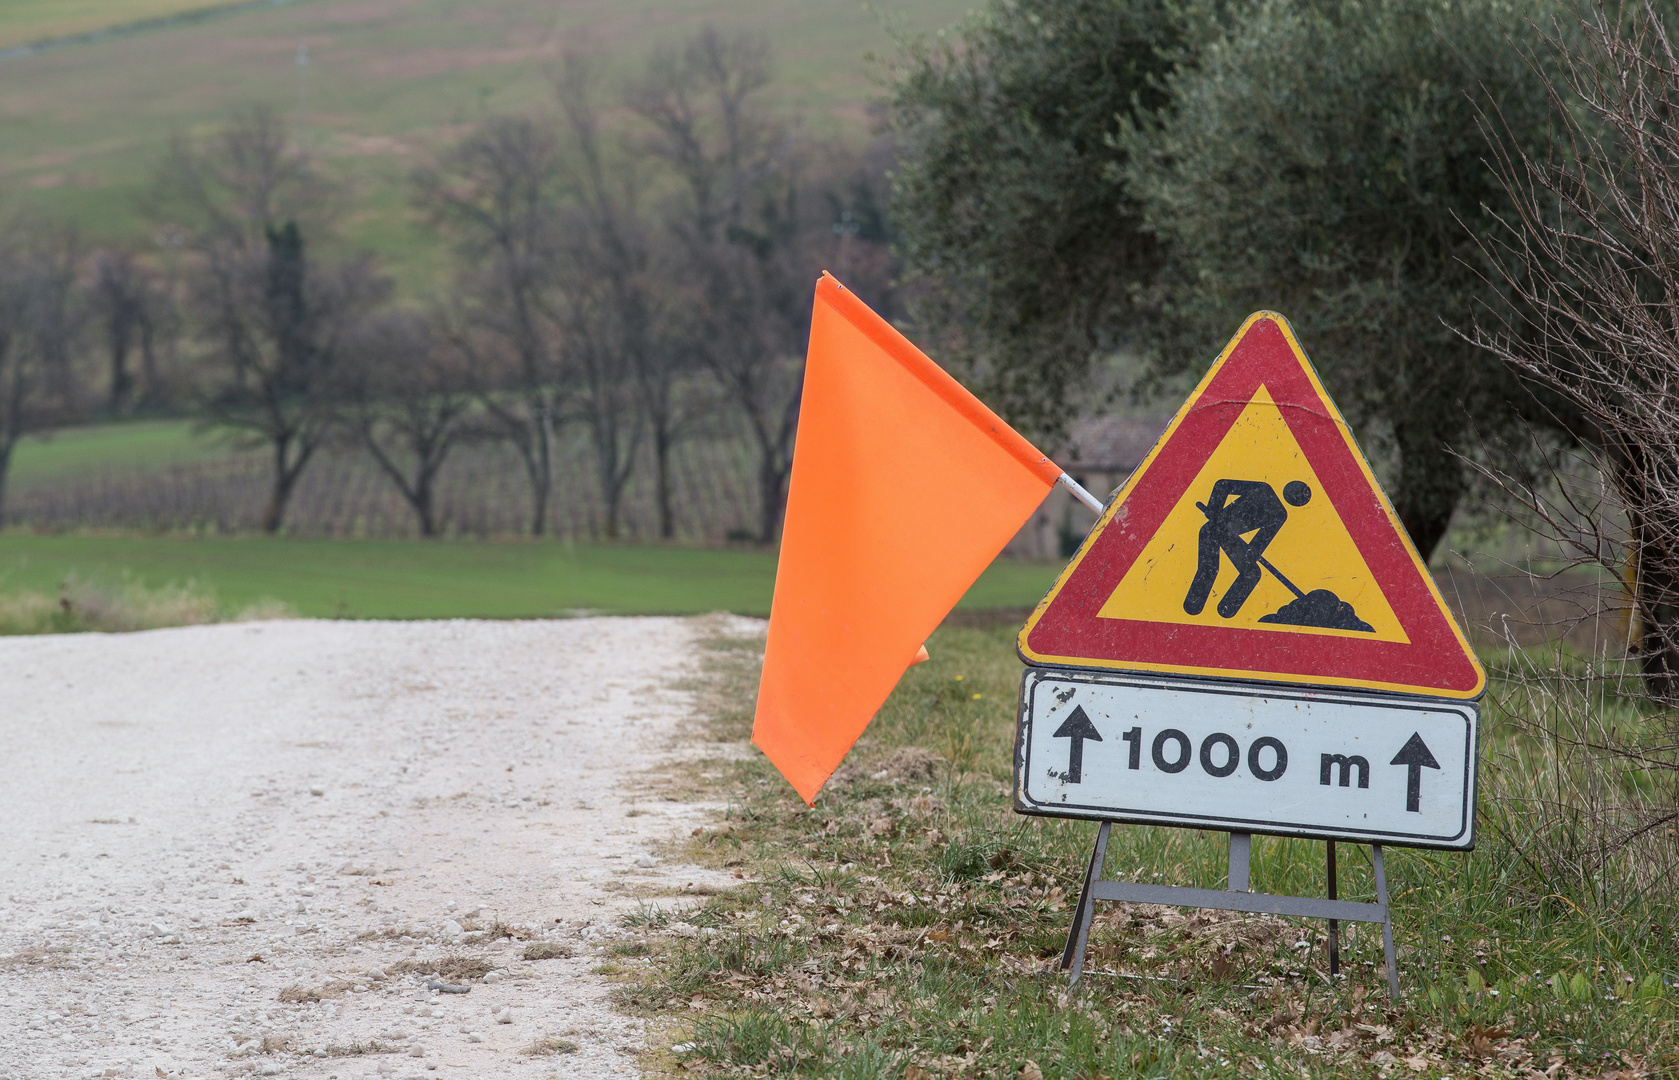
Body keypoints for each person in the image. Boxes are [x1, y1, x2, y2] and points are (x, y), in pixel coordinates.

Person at [1184, 479, 1312, 618]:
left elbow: (1259, 542)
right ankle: (1193, 605)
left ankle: (1226, 610)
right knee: (1209, 568)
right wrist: (1215, 510)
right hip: (1211, 529)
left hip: (1228, 538)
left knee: (1251, 572)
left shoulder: (1279, 514)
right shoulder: (1263, 490)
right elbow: (1222, 485)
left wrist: (1251, 554)